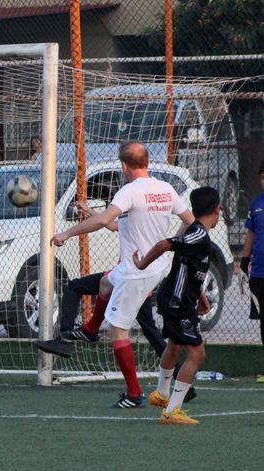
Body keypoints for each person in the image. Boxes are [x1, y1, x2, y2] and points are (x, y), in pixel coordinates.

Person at [51, 142, 194, 408]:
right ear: (147, 161)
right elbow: (190, 220)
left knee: (118, 331)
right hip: (149, 266)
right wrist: (172, 243)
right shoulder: (165, 189)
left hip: (136, 272)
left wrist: (66, 234)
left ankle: (134, 394)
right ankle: (90, 329)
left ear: (124, 165)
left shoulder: (129, 190)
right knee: (105, 283)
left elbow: (104, 220)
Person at [35, 201, 197, 401]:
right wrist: (90, 211)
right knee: (151, 332)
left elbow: (108, 222)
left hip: (126, 280)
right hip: (135, 281)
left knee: (75, 287)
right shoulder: (138, 221)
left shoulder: (134, 217)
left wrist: (84, 221)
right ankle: (181, 380)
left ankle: (66, 340)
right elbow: (110, 224)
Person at [132, 187, 220, 425]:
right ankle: (172, 410)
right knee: (197, 354)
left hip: (176, 299)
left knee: (175, 344)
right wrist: (142, 264)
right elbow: (164, 244)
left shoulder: (197, 232)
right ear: (217, 209)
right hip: (177, 302)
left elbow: (189, 267)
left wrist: (200, 295)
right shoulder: (199, 235)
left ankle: (162, 394)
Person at [239, 161, 264, 383]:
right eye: (263, 178)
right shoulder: (256, 203)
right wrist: (244, 262)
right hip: (259, 272)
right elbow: (251, 234)